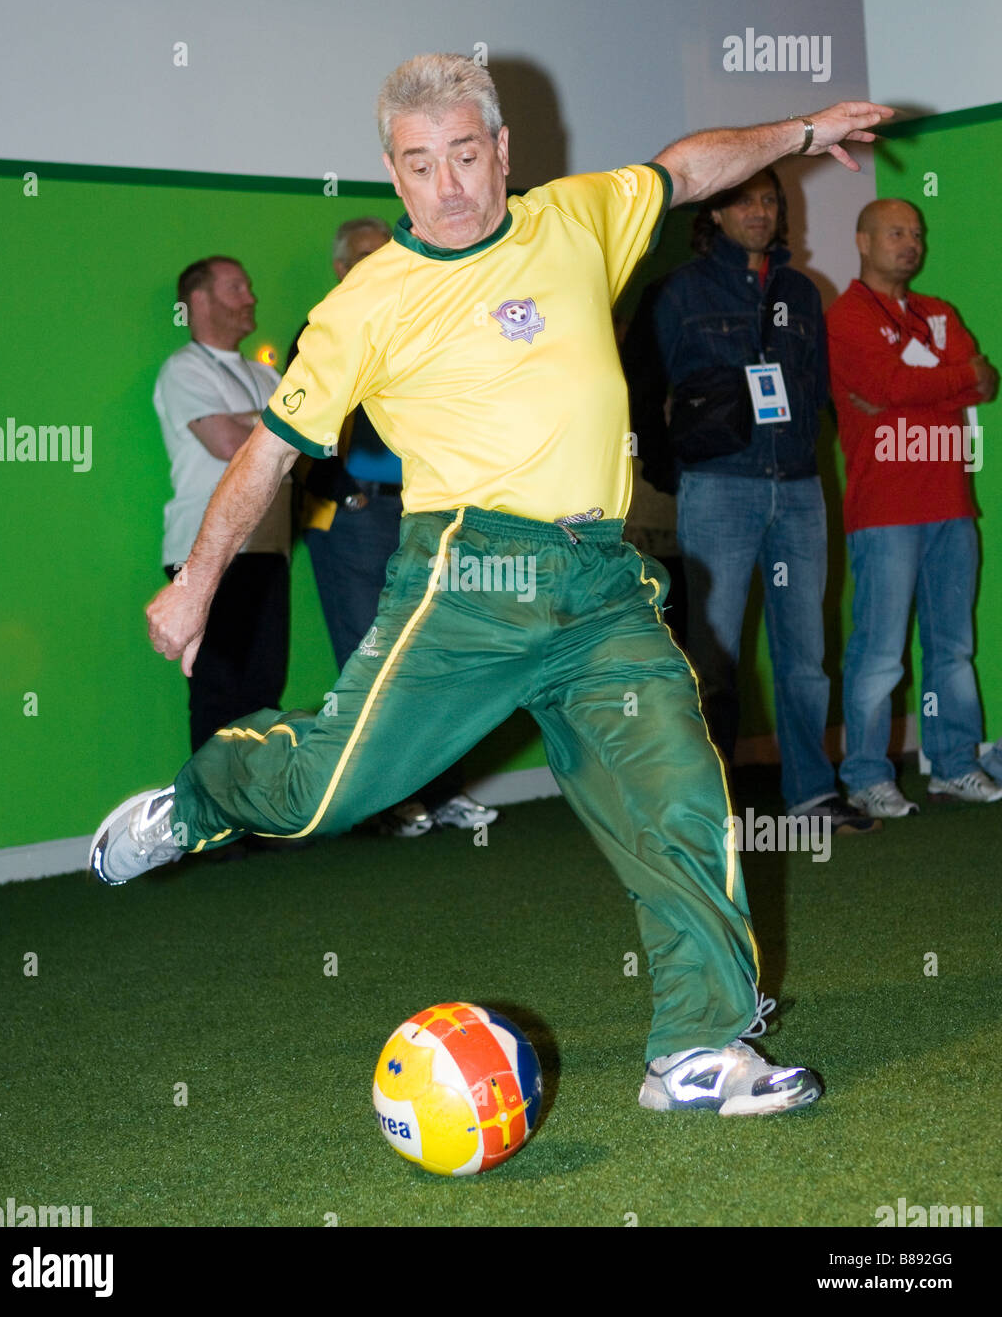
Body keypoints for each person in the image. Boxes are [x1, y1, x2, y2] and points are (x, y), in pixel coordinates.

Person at [92, 54, 891, 1117]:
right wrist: (195, 580)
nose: (449, 185)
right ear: (393, 172)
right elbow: (271, 452)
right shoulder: (366, 305)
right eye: (420, 166)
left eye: (466, 156)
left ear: (500, 152)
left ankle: (694, 1049)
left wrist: (799, 131)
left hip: (602, 579)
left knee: (679, 794)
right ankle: (200, 798)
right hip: (468, 579)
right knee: (324, 794)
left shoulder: (574, 219)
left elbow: (686, 170)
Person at [647, 170, 876, 835]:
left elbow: (818, 389)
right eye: (744, 199)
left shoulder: (803, 293)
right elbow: (640, 388)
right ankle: (705, 806)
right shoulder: (680, 292)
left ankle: (811, 794)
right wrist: (670, 472)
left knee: (805, 657)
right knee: (711, 657)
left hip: (800, 488)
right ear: (714, 214)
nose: (760, 210)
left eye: (771, 199)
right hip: (718, 487)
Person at [289, 217, 499, 837]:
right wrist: (344, 493)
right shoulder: (325, 324)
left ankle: (439, 792)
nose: (379, 258)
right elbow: (296, 421)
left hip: (423, 513)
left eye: (387, 248)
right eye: (362, 253)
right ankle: (383, 803)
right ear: (339, 268)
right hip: (354, 517)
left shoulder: (430, 320)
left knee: (434, 653)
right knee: (370, 657)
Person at [826, 199, 1002, 815]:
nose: (911, 243)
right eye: (896, 232)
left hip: (952, 504)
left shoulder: (940, 312)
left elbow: (986, 381)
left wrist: (919, 389)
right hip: (884, 511)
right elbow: (886, 387)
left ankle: (954, 765)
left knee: (952, 646)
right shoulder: (845, 317)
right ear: (863, 241)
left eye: (918, 234)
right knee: (879, 651)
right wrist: (945, 383)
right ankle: (867, 775)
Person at [153, 257, 290, 752]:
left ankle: (256, 823)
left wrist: (258, 423)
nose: (251, 297)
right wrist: (274, 424)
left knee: (262, 694)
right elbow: (227, 442)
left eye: (249, 286)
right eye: (237, 288)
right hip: (203, 551)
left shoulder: (264, 373)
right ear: (200, 301)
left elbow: (311, 443)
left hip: (269, 550)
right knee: (219, 691)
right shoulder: (183, 369)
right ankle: (216, 826)